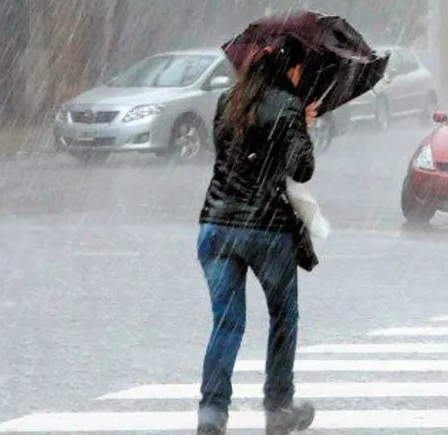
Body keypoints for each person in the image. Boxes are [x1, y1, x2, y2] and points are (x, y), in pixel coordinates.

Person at [195, 35, 317, 435]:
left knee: (226, 323)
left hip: (217, 225)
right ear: (290, 69)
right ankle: (278, 407)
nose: (300, 76)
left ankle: (212, 414)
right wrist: (302, 127)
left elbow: (227, 153)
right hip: (267, 230)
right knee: (283, 316)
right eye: (299, 69)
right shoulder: (288, 105)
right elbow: (302, 169)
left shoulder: (227, 101)